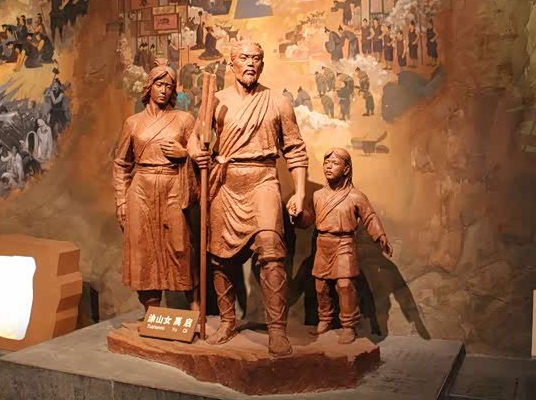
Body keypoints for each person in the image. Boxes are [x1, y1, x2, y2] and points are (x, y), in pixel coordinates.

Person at [188, 40, 308, 357]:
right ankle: (228, 321)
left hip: (263, 179)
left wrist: (299, 192)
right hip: (225, 182)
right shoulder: (216, 100)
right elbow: (194, 138)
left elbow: (295, 150)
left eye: (256, 58)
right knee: (219, 258)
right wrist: (198, 152)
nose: (251, 63)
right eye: (244, 58)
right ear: (233, 64)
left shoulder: (278, 102)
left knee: (271, 249)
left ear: (263, 65)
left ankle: (277, 330)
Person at [114, 65, 199, 318]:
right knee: (144, 249)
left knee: (180, 246)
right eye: (159, 85)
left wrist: (184, 154)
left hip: (173, 184)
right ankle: (152, 311)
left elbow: (202, 156)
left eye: (169, 86)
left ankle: (195, 307)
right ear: (149, 87)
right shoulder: (133, 123)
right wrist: (121, 201)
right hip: (141, 188)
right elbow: (122, 164)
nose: (164, 90)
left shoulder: (184, 119)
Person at [294, 148, 392, 344]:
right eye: (326, 163)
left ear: (346, 169)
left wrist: (380, 235)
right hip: (323, 244)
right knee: (320, 286)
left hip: (344, 243)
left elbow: (369, 217)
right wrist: (297, 215)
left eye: (335, 163)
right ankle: (325, 319)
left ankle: (348, 325)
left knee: (345, 286)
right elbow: (309, 219)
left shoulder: (356, 196)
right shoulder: (318, 196)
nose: (328, 167)